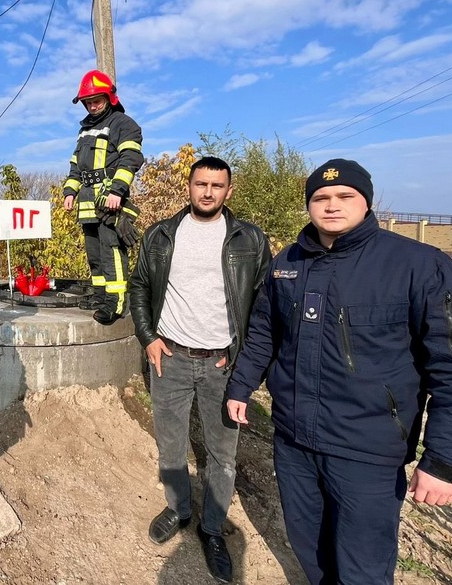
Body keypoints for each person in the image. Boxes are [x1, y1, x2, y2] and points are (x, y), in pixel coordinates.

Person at [226, 159, 452, 584]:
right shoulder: (287, 264)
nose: (331, 206)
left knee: (362, 568)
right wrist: (241, 386)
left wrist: (445, 461)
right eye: (320, 198)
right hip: (295, 443)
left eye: (344, 196)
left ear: (366, 202)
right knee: (311, 549)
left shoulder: (419, 265)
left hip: (366, 451)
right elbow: (264, 332)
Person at [129, 156, 272, 583]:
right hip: (169, 359)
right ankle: (178, 509)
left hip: (222, 365)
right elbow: (139, 285)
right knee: (170, 445)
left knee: (222, 454)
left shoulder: (249, 240)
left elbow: (264, 302)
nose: (207, 192)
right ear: (188, 187)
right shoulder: (160, 235)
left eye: (217, 185)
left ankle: (212, 530)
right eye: (200, 184)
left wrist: (244, 352)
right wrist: (148, 336)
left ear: (229, 190)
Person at [62, 69, 144, 325]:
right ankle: (100, 297)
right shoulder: (85, 129)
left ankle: (116, 304)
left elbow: (130, 159)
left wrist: (117, 191)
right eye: (89, 101)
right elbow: (76, 165)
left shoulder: (124, 124)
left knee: (112, 253)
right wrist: (69, 191)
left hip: (109, 202)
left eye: (97, 99)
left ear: (109, 97)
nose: (93, 105)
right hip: (87, 203)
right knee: (95, 255)